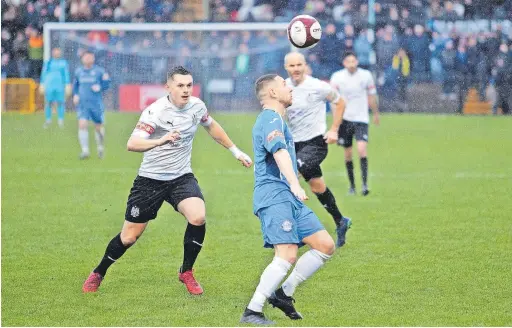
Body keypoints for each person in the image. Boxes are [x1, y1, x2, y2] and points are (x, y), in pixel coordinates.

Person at [82, 66, 253, 295]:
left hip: (181, 177)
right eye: (180, 86)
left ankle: (186, 271)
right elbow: (132, 144)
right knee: (129, 237)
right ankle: (99, 272)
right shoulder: (156, 112)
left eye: (189, 85)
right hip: (150, 181)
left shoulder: (197, 106)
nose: (185, 90)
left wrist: (235, 151)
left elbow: (210, 125)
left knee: (198, 216)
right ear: (168, 87)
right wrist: (160, 141)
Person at [240, 74, 344, 325]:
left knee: (325, 245)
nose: (290, 87)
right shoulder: (270, 118)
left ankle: (283, 292)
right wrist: (295, 184)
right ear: (273, 93)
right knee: (286, 255)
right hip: (274, 195)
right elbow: (279, 151)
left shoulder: (277, 118)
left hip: (287, 196)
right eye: (284, 84)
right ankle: (252, 310)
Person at [283, 52, 351, 248]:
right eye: (291, 66)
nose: (295, 69)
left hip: (315, 143)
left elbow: (340, 102)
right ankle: (340, 221)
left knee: (290, 176)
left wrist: (334, 130)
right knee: (317, 187)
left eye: (299, 65)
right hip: (294, 145)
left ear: (305, 66)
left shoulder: (318, 86)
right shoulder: (283, 88)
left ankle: (298, 231)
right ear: (286, 67)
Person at [330, 52, 380, 196]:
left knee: (362, 149)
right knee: (348, 154)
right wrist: (336, 121)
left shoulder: (366, 76)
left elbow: (371, 96)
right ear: (344, 63)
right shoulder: (337, 77)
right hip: (344, 119)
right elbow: (334, 102)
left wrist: (375, 113)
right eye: (348, 61)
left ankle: (364, 185)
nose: (351, 64)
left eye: (353, 61)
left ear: (357, 61)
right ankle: (352, 186)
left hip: (361, 118)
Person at [72, 51, 110, 159]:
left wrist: (100, 87)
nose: (88, 59)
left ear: (93, 58)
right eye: (86, 57)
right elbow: (75, 85)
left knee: (98, 127)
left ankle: (100, 147)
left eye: (90, 57)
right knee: (82, 124)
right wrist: (75, 95)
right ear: (82, 59)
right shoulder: (78, 72)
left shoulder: (99, 71)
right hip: (83, 104)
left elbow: (107, 84)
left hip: (96, 104)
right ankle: (85, 151)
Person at [40, 47, 71, 128]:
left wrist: (67, 84)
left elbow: (66, 74)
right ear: (52, 53)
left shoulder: (63, 63)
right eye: (55, 52)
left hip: (60, 86)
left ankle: (60, 120)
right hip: (49, 86)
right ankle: (48, 120)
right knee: (48, 103)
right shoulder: (48, 63)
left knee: (60, 103)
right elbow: (44, 74)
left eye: (58, 52)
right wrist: (42, 83)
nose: (56, 53)